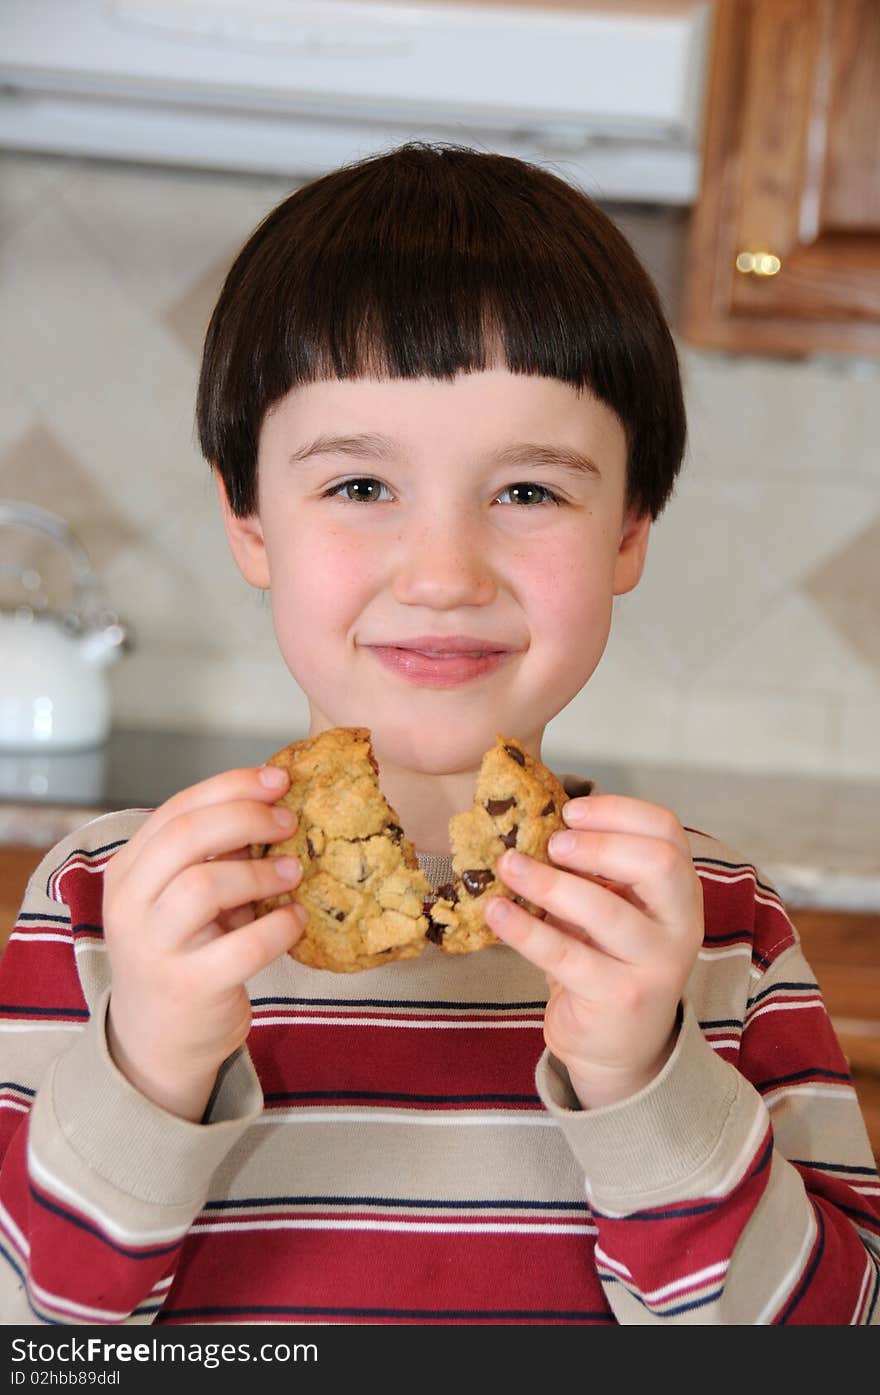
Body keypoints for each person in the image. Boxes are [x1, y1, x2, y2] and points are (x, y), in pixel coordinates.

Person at [1, 142, 877, 1328]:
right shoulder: (111, 910)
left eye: (528, 492)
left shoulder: (720, 929)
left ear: (628, 533)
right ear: (248, 519)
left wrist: (642, 1083)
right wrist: (149, 1070)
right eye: (360, 487)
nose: (445, 574)